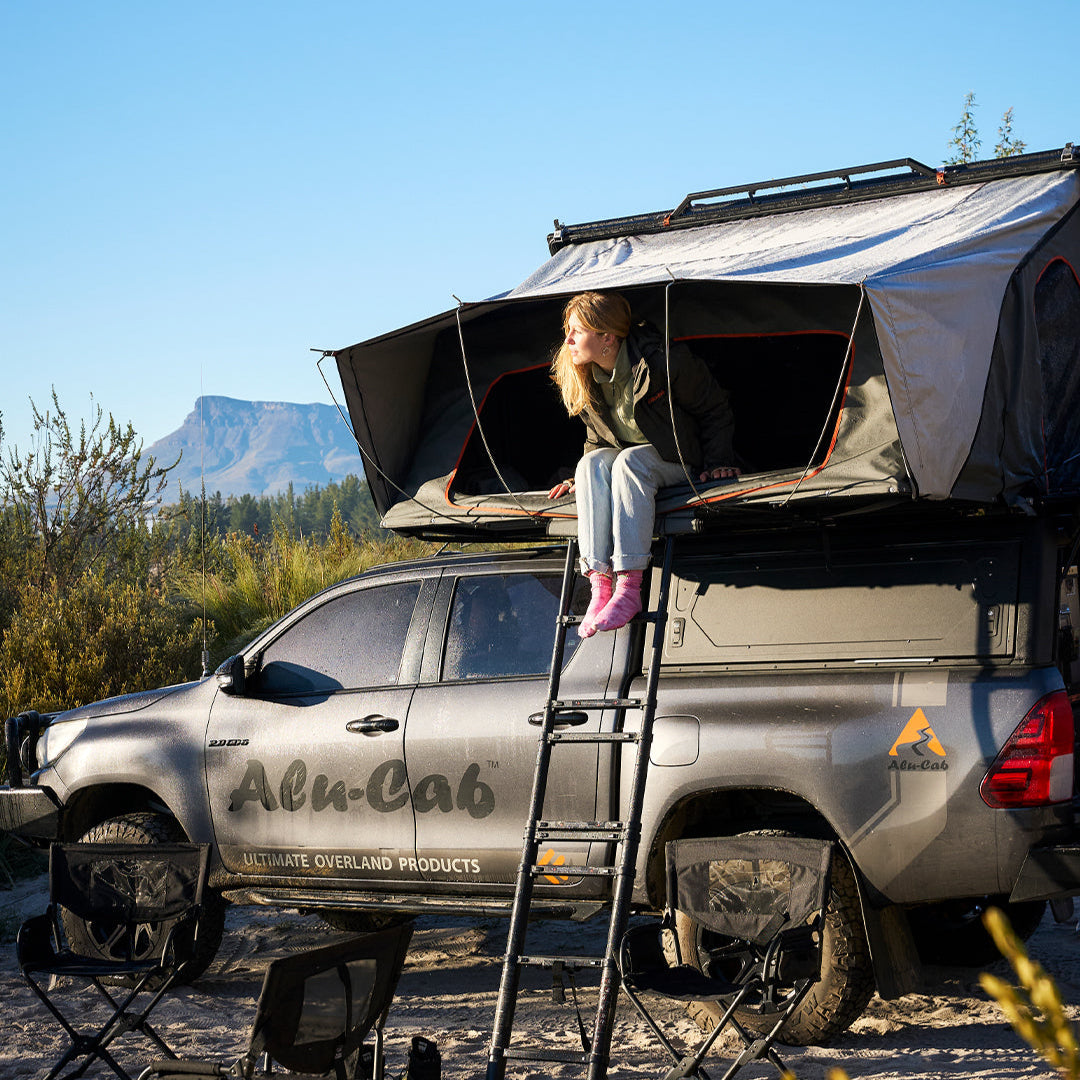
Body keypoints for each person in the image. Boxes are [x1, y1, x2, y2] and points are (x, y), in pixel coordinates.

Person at [547, 292, 739, 637]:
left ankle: (628, 588)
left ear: (607, 338)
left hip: (679, 460)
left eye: (577, 331)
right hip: (631, 462)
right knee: (590, 466)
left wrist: (719, 461)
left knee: (628, 463)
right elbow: (597, 438)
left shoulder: (662, 362)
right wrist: (582, 480)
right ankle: (600, 586)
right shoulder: (586, 374)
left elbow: (715, 409)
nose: (569, 339)